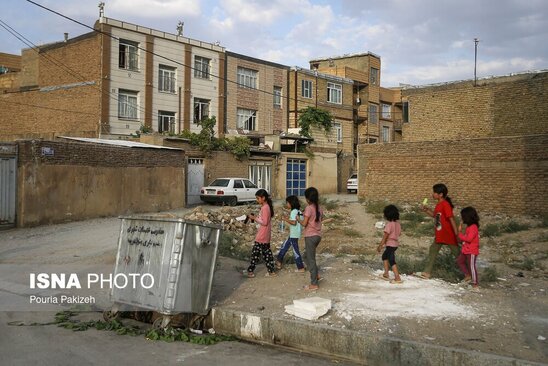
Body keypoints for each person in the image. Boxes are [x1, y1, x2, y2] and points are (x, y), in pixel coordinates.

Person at [416, 183, 459, 279]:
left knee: (457, 254)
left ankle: (469, 274)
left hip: (448, 234)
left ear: (441, 194)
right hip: (440, 234)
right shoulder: (439, 205)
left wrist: (456, 233)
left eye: (435, 192)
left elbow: (451, 218)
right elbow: (434, 215)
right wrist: (426, 210)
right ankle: (427, 272)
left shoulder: (445, 205)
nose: (433, 194)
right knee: (433, 250)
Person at [243, 189, 277, 278]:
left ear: (263, 198)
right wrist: (256, 217)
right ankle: (271, 271)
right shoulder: (267, 207)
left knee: (255, 254)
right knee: (267, 254)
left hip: (262, 235)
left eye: (258, 198)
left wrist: (255, 218)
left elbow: (264, 222)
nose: (257, 200)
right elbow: (264, 220)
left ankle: (250, 271)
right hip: (266, 235)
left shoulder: (265, 208)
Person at [297, 187, 323, 291]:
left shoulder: (308, 208)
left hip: (310, 236)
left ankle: (314, 284)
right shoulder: (319, 208)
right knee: (305, 256)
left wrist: (299, 219)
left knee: (311, 260)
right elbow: (320, 219)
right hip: (317, 235)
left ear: (308, 198)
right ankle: (315, 274)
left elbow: (304, 224)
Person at [276, 196, 305, 273]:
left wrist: (285, 219)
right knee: (284, 246)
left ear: (291, 203)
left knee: (295, 251)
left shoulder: (293, 212)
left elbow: (294, 222)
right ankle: (279, 261)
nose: (287, 204)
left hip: (294, 234)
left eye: (287, 203)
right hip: (295, 233)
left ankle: (300, 267)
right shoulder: (299, 211)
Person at [377, 204, 403, 284]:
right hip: (395, 244)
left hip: (390, 244)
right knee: (385, 256)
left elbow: (385, 237)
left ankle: (397, 277)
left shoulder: (389, 225)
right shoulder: (398, 224)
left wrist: (380, 246)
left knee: (391, 260)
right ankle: (386, 273)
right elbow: (399, 234)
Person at [456, 206, 480, 289]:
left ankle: (475, 283)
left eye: (463, 217)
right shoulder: (469, 227)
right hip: (466, 250)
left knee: (472, 266)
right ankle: (467, 275)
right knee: (460, 261)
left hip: (471, 251)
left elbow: (469, 239)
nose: (462, 219)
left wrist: (459, 233)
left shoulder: (473, 227)